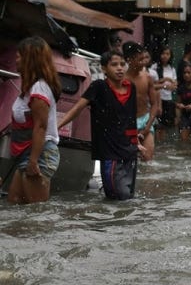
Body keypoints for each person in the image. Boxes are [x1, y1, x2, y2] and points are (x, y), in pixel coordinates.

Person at [58, 50, 144, 200]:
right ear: (104, 68)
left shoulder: (131, 87)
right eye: (114, 65)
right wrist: (56, 126)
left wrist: (137, 142)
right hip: (110, 155)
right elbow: (77, 109)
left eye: (123, 64)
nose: (119, 68)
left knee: (128, 198)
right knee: (115, 198)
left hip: (129, 152)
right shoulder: (98, 87)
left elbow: (130, 119)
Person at [7, 36, 61, 204]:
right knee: (15, 204)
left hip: (39, 154)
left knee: (36, 212)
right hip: (28, 153)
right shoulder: (30, 88)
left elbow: (41, 126)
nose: (16, 59)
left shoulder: (39, 88)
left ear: (30, 59)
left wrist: (34, 161)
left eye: (20, 56)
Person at [123, 42, 158, 161]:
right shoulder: (122, 79)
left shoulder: (147, 77)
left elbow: (154, 104)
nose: (144, 62)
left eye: (144, 58)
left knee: (148, 158)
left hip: (145, 120)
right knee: (128, 159)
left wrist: (148, 126)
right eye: (140, 59)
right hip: (126, 123)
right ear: (130, 60)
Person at [150, 45, 178, 142]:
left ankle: (163, 148)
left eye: (167, 54)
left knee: (166, 126)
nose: (165, 56)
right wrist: (166, 81)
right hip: (158, 99)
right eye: (163, 53)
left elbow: (175, 85)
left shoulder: (172, 68)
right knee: (158, 126)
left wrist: (172, 85)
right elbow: (152, 84)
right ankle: (157, 144)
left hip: (168, 99)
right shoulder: (154, 67)